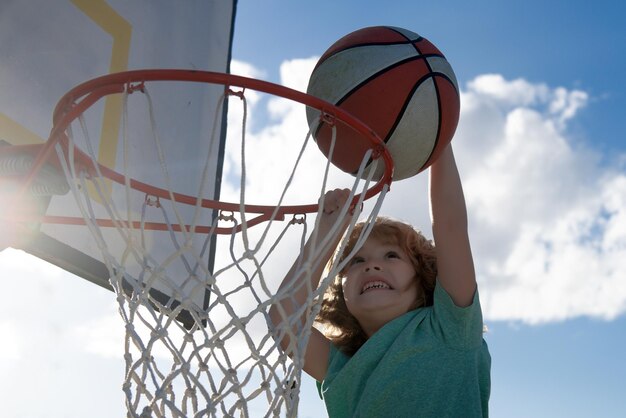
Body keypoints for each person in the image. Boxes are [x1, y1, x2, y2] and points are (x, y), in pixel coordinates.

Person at [269, 144, 491, 417]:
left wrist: (437, 141)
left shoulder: (450, 328)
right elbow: (285, 316)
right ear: (341, 293)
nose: (372, 264)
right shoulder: (341, 365)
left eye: (391, 256)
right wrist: (329, 230)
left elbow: (450, 225)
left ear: (423, 275)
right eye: (357, 261)